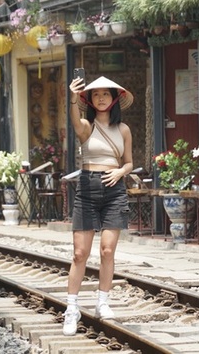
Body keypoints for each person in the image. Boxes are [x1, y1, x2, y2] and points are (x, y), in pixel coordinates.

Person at [63, 75, 134, 336]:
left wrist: (120, 173)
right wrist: (72, 96)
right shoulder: (86, 126)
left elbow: (128, 162)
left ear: (114, 98)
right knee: (79, 254)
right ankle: (71, 309)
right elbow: (73, 118)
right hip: (87, 188)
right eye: (95, 94)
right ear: (89, 100)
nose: (101, 98)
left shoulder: (124, 129)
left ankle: (103, 302)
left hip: (115, 191)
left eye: (105, 94)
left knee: (107, 251)